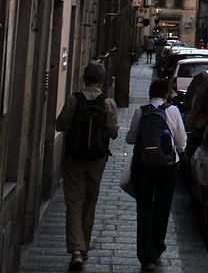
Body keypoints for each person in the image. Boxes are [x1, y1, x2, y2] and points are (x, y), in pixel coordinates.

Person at [55, 62, 119, 271]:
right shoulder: (108, 103)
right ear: (102, 80)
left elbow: (60, 124)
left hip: (74, 158)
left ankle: (75, 250)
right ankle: (84, 249)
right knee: (90, 202)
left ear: (84, 79)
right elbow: (113, 131)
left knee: (74, 202)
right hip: (97, 160)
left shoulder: (75, 100)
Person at [126, 77, 187, 272]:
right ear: (167, 94)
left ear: (150, 93)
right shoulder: (173, 111)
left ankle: (145, 257)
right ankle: (157, 247)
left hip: (143, 167)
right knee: (162, 207)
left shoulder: (140, 111)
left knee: (144, 208)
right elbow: (181, 143)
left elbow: (130, 139)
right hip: (168, 167)